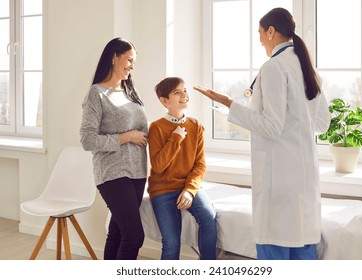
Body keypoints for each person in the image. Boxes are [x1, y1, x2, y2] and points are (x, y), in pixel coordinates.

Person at [193, 8, 330, 260]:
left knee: (275, 249)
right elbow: (322, 123)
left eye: (259, 32)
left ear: (270, 31)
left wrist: (228, 104)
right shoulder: (309, 68)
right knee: (302, 253)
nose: (258, 39)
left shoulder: (273, 67)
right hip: (304, 179)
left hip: (278, 180)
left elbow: (272, 126)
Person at [80, 37, 148, 260]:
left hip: (137, 172)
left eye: (134, 62)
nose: (132, 66)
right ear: (114, 57)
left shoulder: (130, 92)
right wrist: (126, 137)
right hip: (112, 172)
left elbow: (144, 132)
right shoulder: (96, 94)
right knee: (134, 235)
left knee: (118, 232)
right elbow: (88, 140)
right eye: (129, 59)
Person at [148, 77, 217, 260]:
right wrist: (176, 138)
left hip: (187, 186)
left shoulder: (195, 127)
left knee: (209, 219)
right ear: (164, 101)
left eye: (184, 90)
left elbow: (200, 165)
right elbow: (158, 166)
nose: (184, 95)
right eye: (177, 92)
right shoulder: (156, 128)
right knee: (171, 243)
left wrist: (189, 190)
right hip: (163, 190)